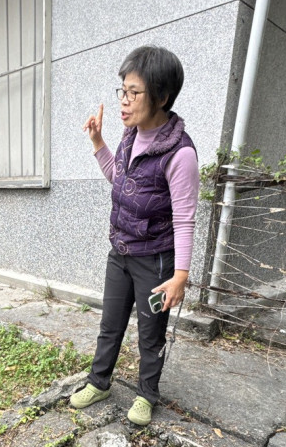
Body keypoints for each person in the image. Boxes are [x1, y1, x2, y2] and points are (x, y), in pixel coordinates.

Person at [70, 46, 199, 426]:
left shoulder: (180, 154)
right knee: (110, 324)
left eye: (134, 93)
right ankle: (100, 382)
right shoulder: (130, 136)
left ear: (161, 97)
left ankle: (147, 394)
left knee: (150, 333)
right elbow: (120, 180)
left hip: (157, 260)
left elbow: (186, 220)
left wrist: (180, 276)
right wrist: (98, 143)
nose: (124, 102)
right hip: (121, 251)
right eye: (121, 91)